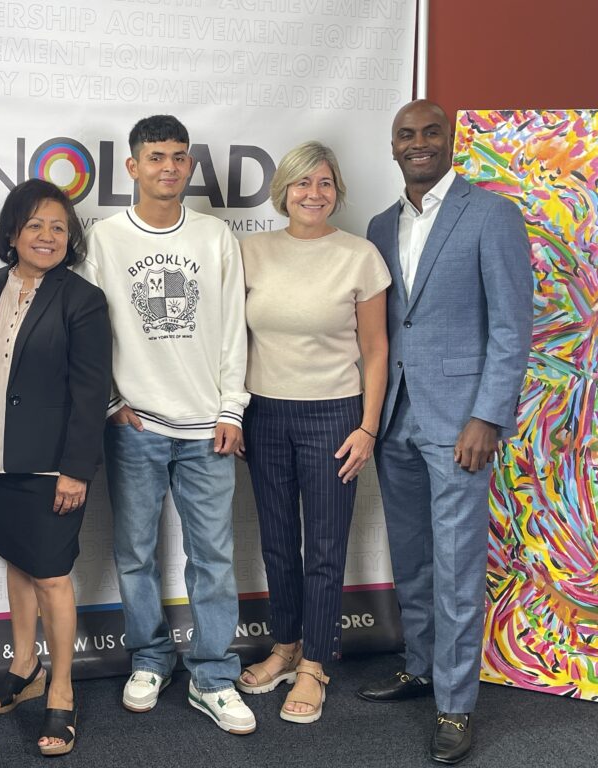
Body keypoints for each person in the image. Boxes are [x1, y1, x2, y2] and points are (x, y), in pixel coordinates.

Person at [357, 100, 532, 764]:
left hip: (462, 423)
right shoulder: (378, 225)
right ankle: (421, 667)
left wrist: (488, 415)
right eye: (407, 134)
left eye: (431, 132)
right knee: (413, 556)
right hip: (395, 416)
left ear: (451, 140)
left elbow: (513, 327)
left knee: (457, 564)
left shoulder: (491, 216)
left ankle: (456, 705)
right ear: (394, 145)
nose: (419, 143)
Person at [76, 115, 255, 734]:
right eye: (156, 157)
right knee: (135, 555)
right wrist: (109, 404)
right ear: (132, 166)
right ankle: (149, 659)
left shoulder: (214, 237)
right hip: (137, 426)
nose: (169, 168)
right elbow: (89, 332)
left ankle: (213, 675)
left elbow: (235, 326)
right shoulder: (104, 238)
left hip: (209, 426)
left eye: (179, 157)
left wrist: (232, 407)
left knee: (214, 557)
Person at [0, 178, 112, 756]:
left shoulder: (82, 299)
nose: (47, 236)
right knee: (18, 562)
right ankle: (25, 665)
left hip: (51, 466)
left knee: (50, 575)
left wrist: (76, 469)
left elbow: (91, 393)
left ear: (71, 239)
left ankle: (62, 690)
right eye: (35, 225)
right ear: (12, 232)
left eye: (59, 227)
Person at [235, 141, 390, 723]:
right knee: (276, 541)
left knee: (324, 546)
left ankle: (316, 662)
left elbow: (376, 350)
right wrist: (236, 411)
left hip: (334, 415)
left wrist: (368, 427)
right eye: (303, 183)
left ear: (337, 191)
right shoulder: (252, 251)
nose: (313, 194)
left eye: (324, 183)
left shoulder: (360, 256)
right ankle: (285, 644)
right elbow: (237, 340)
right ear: (284, 191)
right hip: (265, 413)